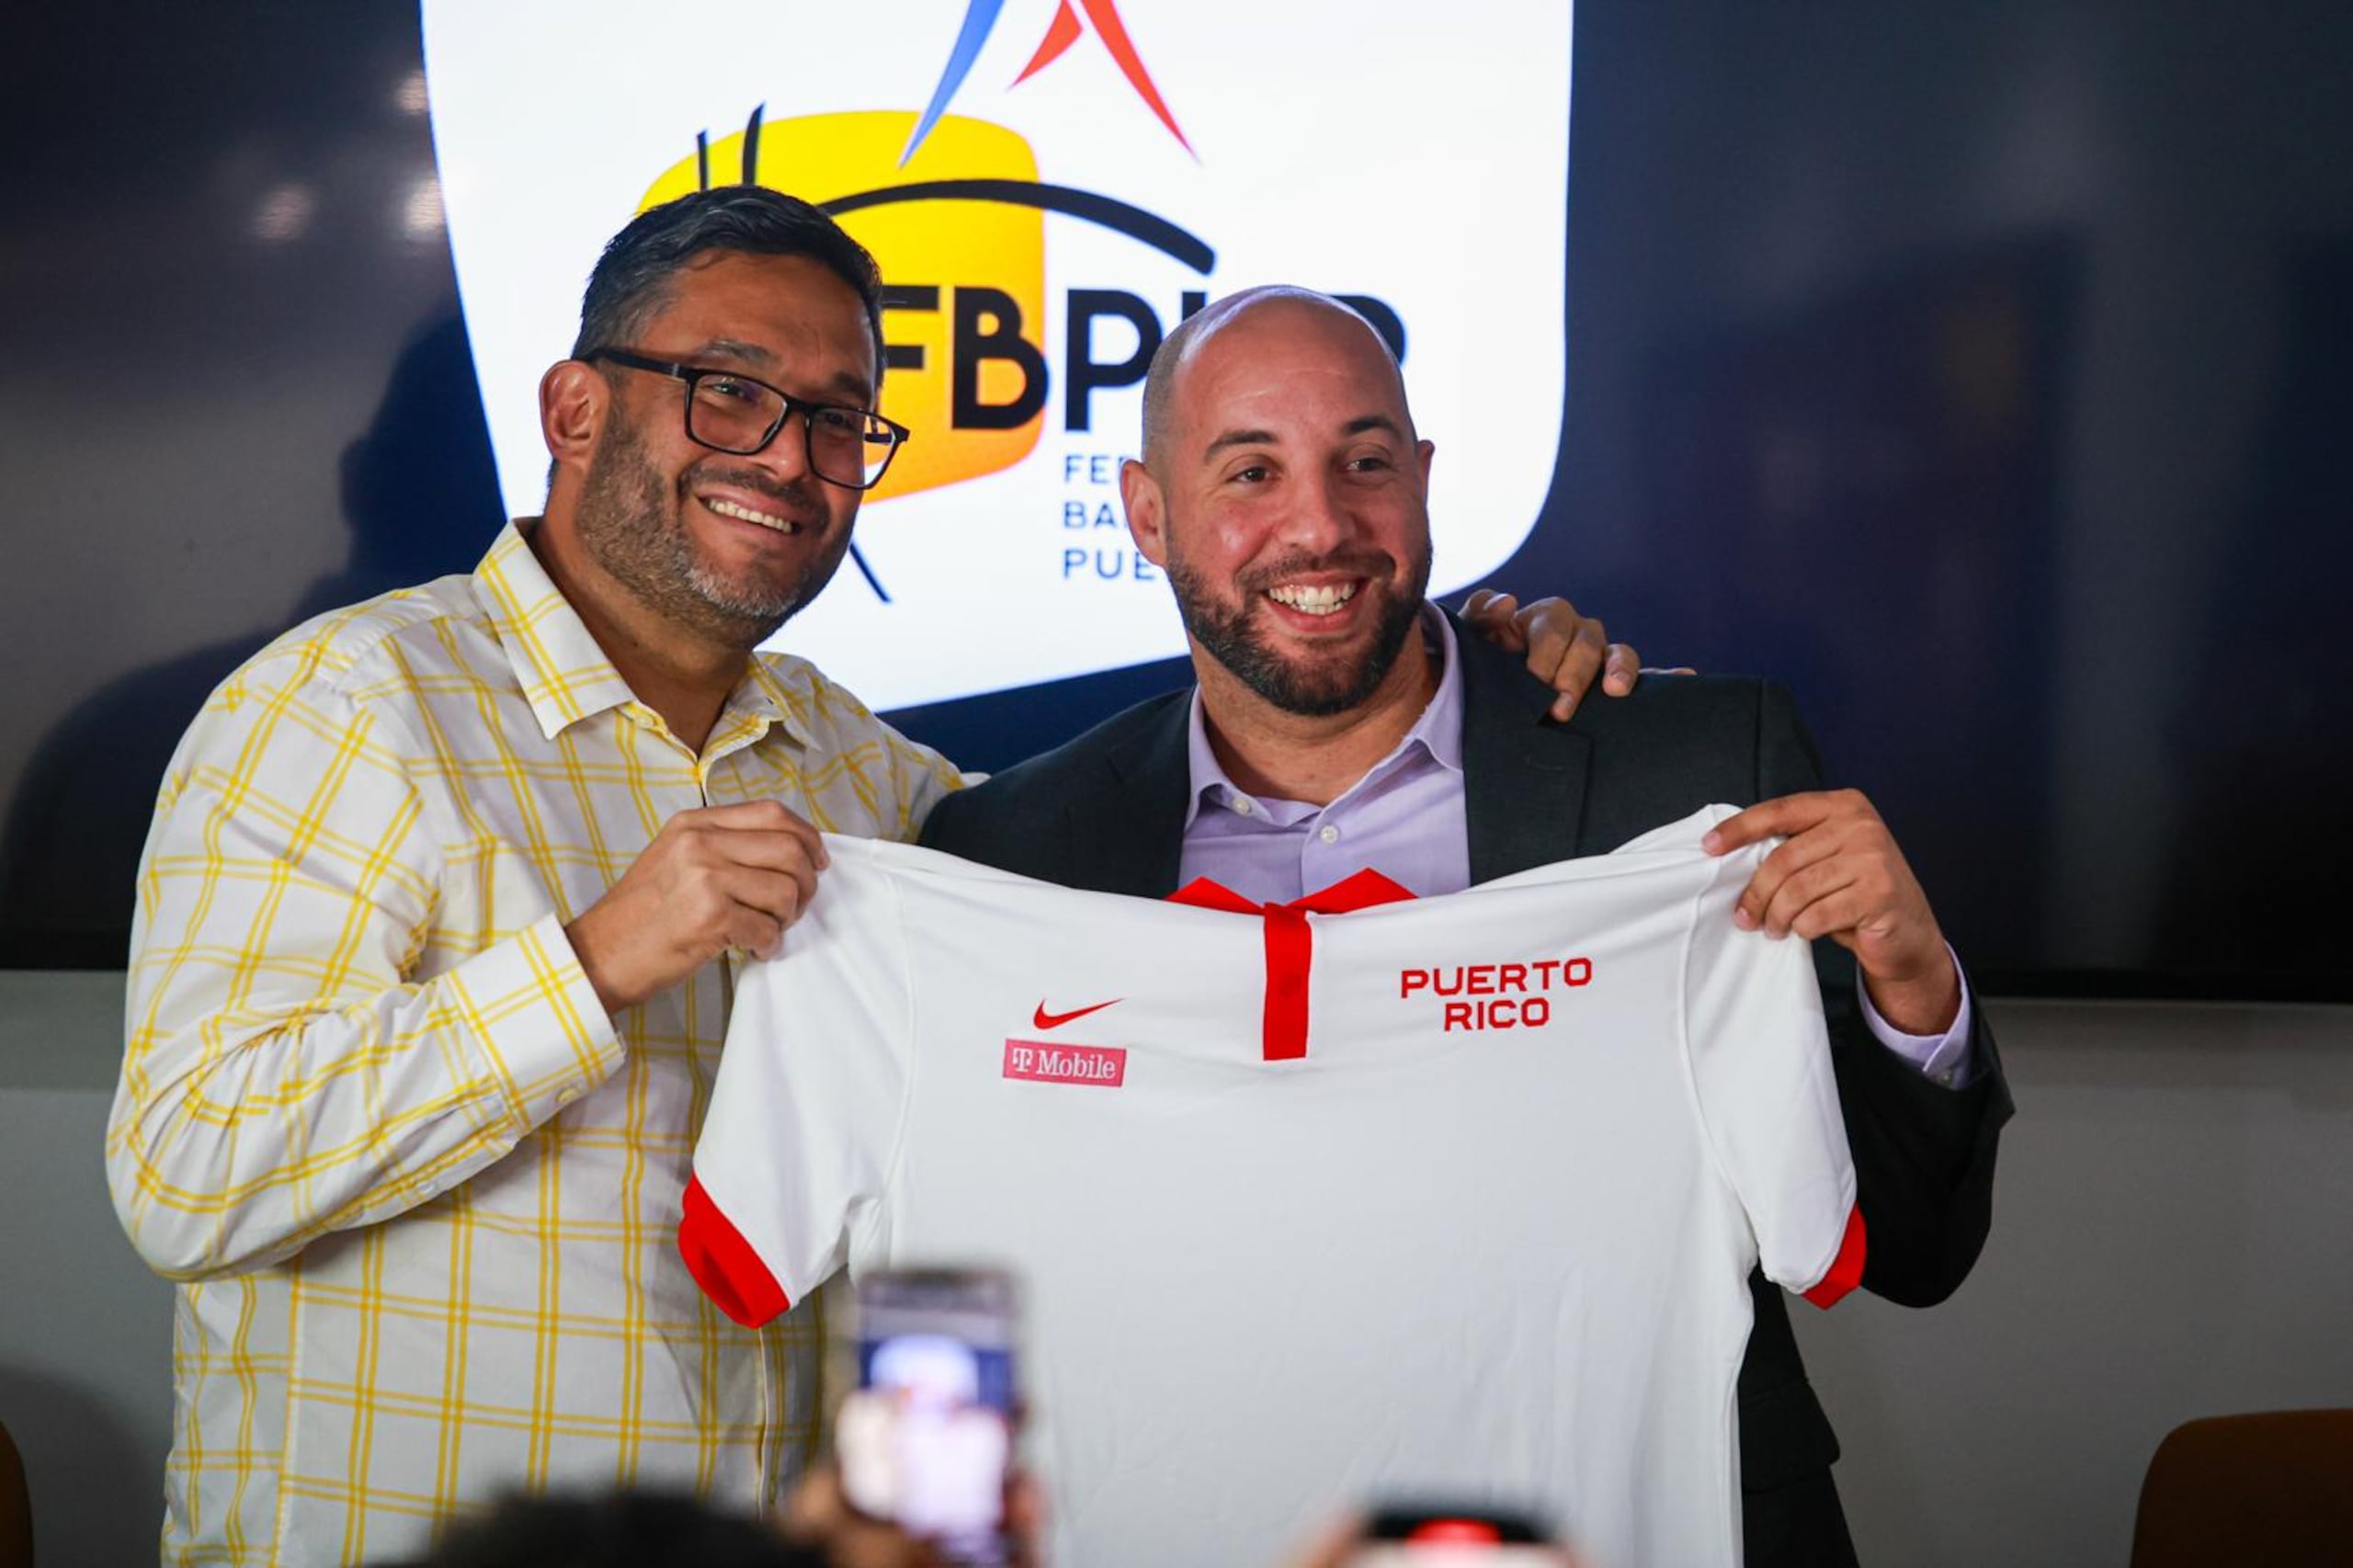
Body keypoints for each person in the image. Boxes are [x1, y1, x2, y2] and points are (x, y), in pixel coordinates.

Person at [106, 190, 1631, 1567]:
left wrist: (1451, 669)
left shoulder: (869, 780)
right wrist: (587, 963)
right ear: (575, 407)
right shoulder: (347, 704)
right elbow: (185, 1172)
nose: (790, 455)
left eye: (840, 420)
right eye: (731, 393)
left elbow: (1173, 879)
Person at [916, 287, 2013, 1568]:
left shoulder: (1696, 780)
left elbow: (1913, 1245)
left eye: (1364, 462)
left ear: (1426, 479)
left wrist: (1912, 981)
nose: (1321, 524)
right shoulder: (1007, 856)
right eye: (1251, 471)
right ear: (1148, 512)